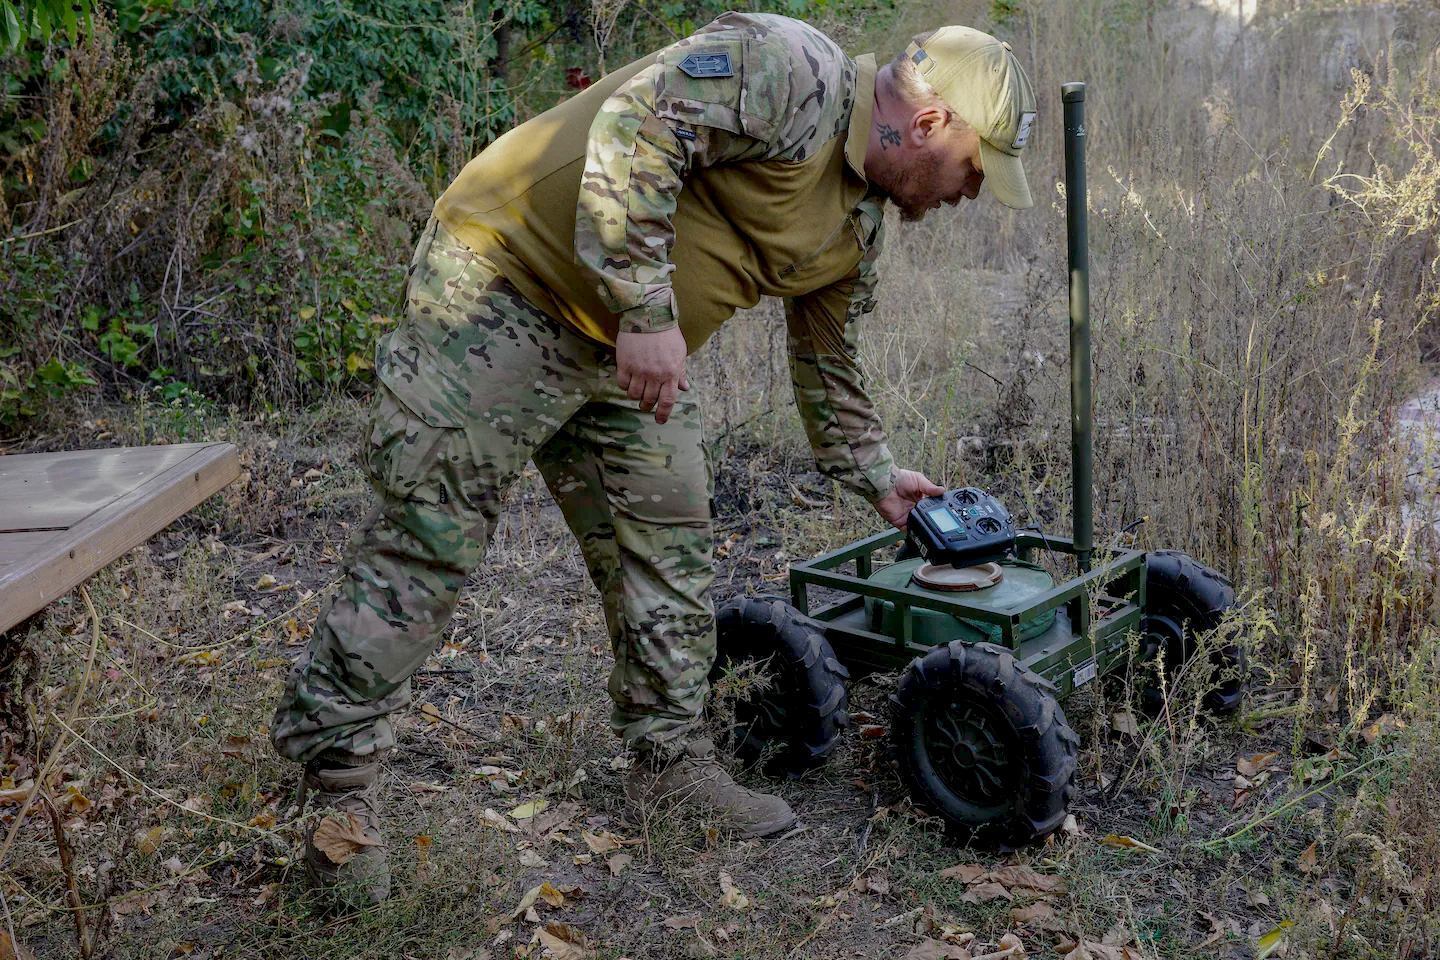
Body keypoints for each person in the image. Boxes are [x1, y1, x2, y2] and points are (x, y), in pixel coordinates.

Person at [269, 12, 1037, 907]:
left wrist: (876, 474)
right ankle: (335, 803)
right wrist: (644, 309)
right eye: (975, 171)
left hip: (623, 354)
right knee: (426, 543)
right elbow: (636, 124)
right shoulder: (793, 73)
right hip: (505, 286)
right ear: (932, 123)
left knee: (670, 546)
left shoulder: (857, 223)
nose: (969, 194)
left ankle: (668, 763)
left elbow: (828, 358)